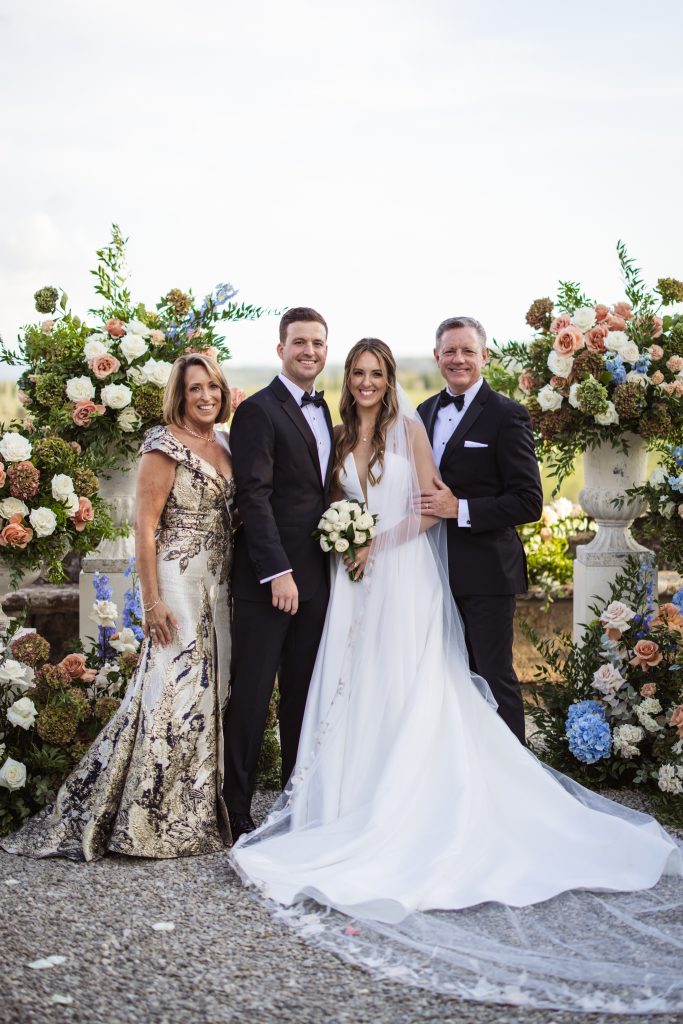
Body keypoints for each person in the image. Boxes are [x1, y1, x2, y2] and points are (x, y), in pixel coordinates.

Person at [230, 339, 683, 1015]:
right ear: (344, 378)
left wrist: (372, 545)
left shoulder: (407, 427)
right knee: (349, 686)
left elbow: (430, 506)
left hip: (399, 577)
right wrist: (342, 542)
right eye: (355, 372)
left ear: (388, 380)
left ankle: (408, 801)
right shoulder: (333, 430)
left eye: (375, 373)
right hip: (348, 581)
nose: (364, 382)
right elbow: (316, 498)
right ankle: (345, 801)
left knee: (411, 685)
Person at [1, 354, 235, 860]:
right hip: (175, 577)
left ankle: (191, 808)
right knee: (172, 687)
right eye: (195, 388)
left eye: (212, 387)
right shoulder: (163, 444)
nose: (205, 397)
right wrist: (150, 601)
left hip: (217, 581)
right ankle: (145, 815)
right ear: (180, 392)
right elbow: (144, 530)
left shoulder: (223, 444)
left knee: (206, 691)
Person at [223, 307, 334, 841]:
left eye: (316, 343)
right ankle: (236, 806)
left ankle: (292, 796)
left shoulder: (324, 407)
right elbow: (255, 496)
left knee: (300, 692)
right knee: (251, 693)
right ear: (280, 349)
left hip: (318, 577)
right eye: (299, 342)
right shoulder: (258, 411)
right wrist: (277, 573)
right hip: (270, 580)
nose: (308, 351)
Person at [417, 316, 543, 742]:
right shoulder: (423, 413)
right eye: (449, 351)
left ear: (484, 356)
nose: (458, 359)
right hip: (432, 572)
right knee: (444, 677)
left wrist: (461, 508)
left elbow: (529, 501)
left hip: (488, 573)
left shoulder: (508, 415)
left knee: (492, 676)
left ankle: (514, 776)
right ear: (437, 358)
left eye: (468, 351)